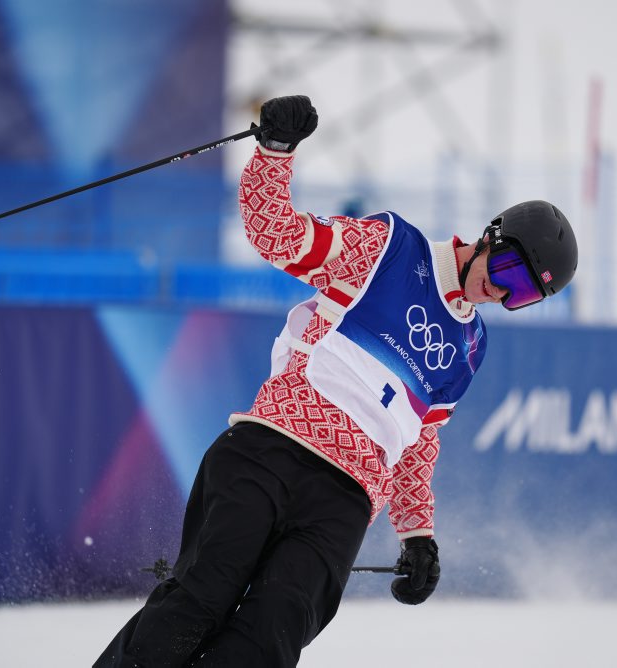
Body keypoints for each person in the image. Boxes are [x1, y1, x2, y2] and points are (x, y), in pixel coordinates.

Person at [96, 95, 577, 667]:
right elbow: (277, 236)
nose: (501, 293)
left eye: (523, 294)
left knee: (269, 638)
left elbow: (418, 442)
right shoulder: (393, 250)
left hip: (345, 501)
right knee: (202, 601)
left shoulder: (471, 348)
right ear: (491, 236)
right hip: (271, 450)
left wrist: (416, 532)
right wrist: (275, 153)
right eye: (507, 273)